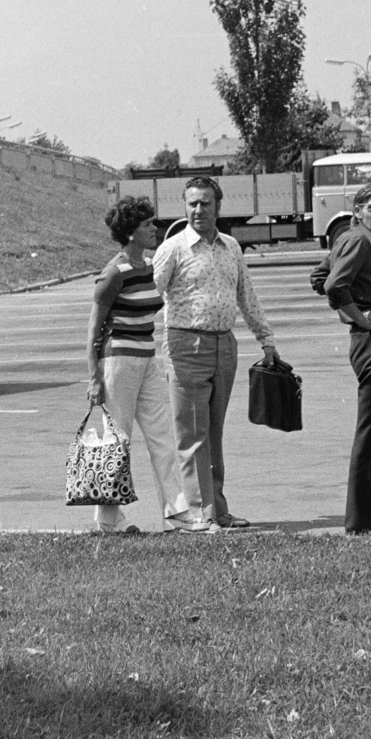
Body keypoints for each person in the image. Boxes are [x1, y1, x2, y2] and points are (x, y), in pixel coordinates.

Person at [151, 175, 279, 531]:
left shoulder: (231, 248)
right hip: (186, 346)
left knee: (213, 432)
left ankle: (217, 509)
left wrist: (265, 339)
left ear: (218, 207)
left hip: (224, 346)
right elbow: (150, 295)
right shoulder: (173, 249)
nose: (198, 210)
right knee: (192, 434)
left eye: (205, 203)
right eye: (192, 203)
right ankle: (196, 514)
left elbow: (247, 296)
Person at [85, 197, 208, 534]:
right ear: (129, 233)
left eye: (153, 224)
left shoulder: (153, 266)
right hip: (118, 362)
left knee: (161, 439)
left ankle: (176, 514)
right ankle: (108, 519)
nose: (154, 229)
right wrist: (94, 376)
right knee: (117, 440)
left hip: (148, 359)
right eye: (146, 225)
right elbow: (94, 328)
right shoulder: (113, 273)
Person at [323, 184, 371, 535]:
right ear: (357, 211)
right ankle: (363, 523)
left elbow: (319, 277)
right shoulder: (358, 241)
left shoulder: (354, 240)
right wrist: (360, 316)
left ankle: (366, 521)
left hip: (369, 338)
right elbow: (333, 286)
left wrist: (349, 312)